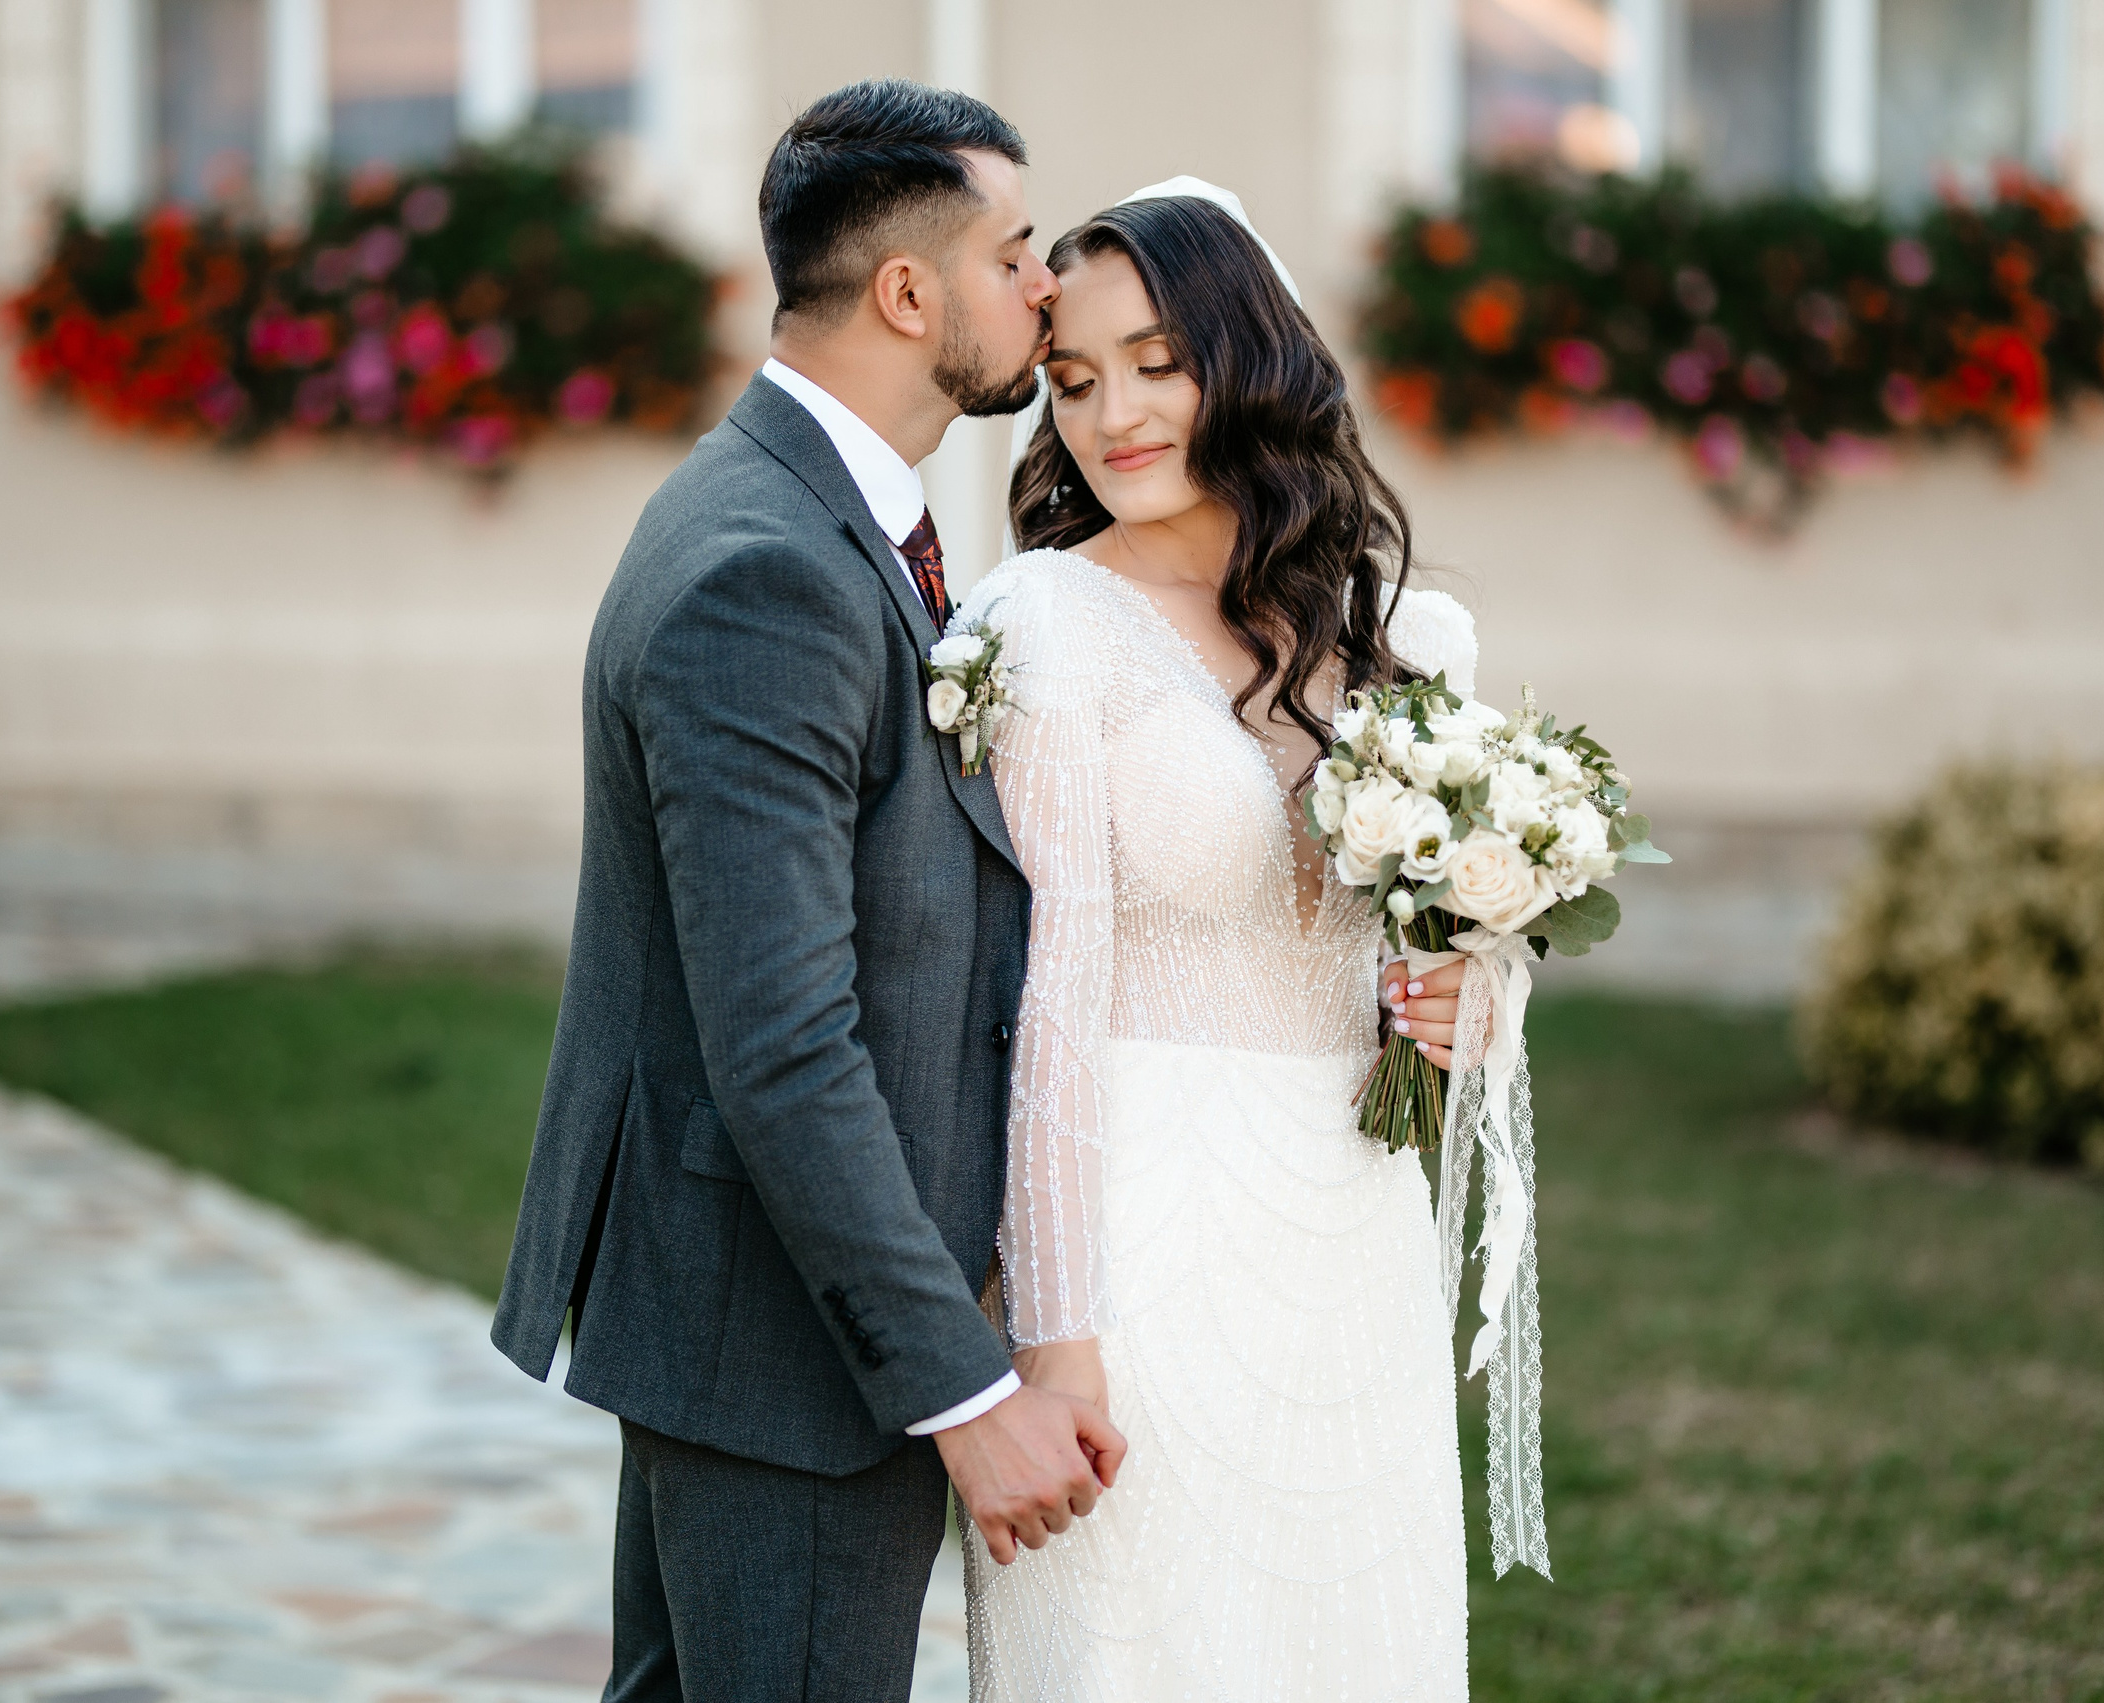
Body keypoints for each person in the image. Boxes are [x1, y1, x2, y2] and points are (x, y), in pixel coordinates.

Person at [488, 80, 1125, 1702]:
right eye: (1014, 251)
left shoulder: (795, 509)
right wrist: (960, 1390)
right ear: (909, 292)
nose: (1046, 286)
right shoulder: (769, 572)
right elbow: (780, 1044)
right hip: (790, 1357)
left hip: (742, 1327)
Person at [953, 185, 1483, 1699]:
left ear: (1247, 358)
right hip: (1141, 1235)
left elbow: (1435, 950)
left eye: (1158, 363)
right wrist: (1056, 1334)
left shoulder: (1403, 640)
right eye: (1072, 380)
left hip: (1354, 1227)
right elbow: (1049, 998)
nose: (1111, 417)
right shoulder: (1044, 622)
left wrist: (1463, 1002)